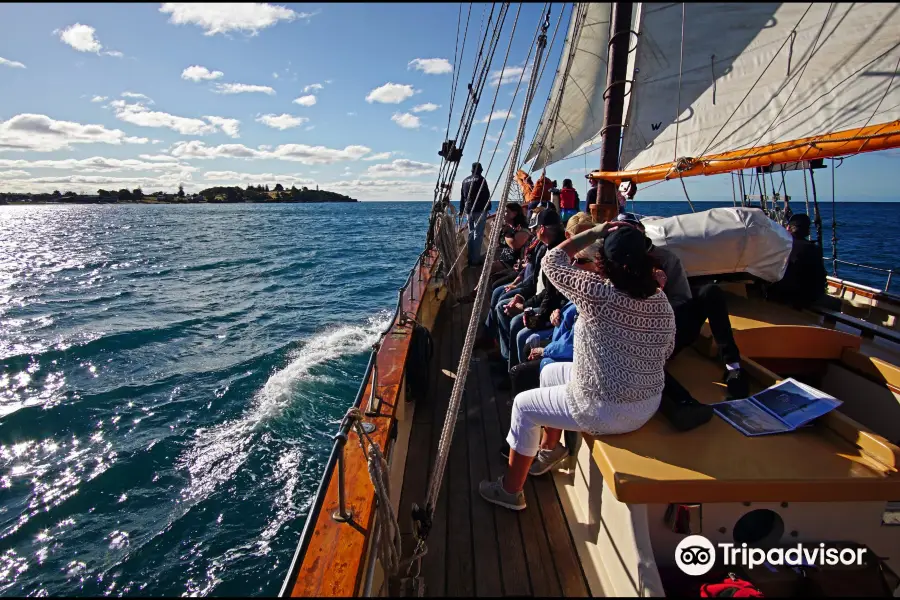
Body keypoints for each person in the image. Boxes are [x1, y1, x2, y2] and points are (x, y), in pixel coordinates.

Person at [479, 222, 676, 511]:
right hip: (647, 403)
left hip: (606, 407)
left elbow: (552, 260)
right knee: (548, 373)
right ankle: (551, 448)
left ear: (603, 263)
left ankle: (510, 490)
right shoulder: (660, 301)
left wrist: (597, 230)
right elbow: (667, 350)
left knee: (522, 406)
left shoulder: (599, 293)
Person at [615, 213, 750, 428]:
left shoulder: (666, 260)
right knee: (632, 359)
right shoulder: (611, 262)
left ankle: (732, 366)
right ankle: (681, 403)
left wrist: (655, 297)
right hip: (631, 341)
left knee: (710, 292)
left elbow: (682, 300)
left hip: (666, 330)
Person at [766, 213, 827, 310]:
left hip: (777, 293)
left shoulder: (777, 245)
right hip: (802, 298)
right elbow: (820, 277)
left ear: (788, 228)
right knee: (836, 303)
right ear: (807, 231)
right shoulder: (812, 249)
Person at [461, 162, 492, 266]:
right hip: (479, 211)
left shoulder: (465, 181)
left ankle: (470, 259)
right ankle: (475, 260)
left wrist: (462, 210)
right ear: (480, 170)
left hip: (469, 211)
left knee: (470, 234)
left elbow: (462, 198)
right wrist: (488, 208)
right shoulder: (481, 180)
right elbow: (486, 195)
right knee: (478, 235)